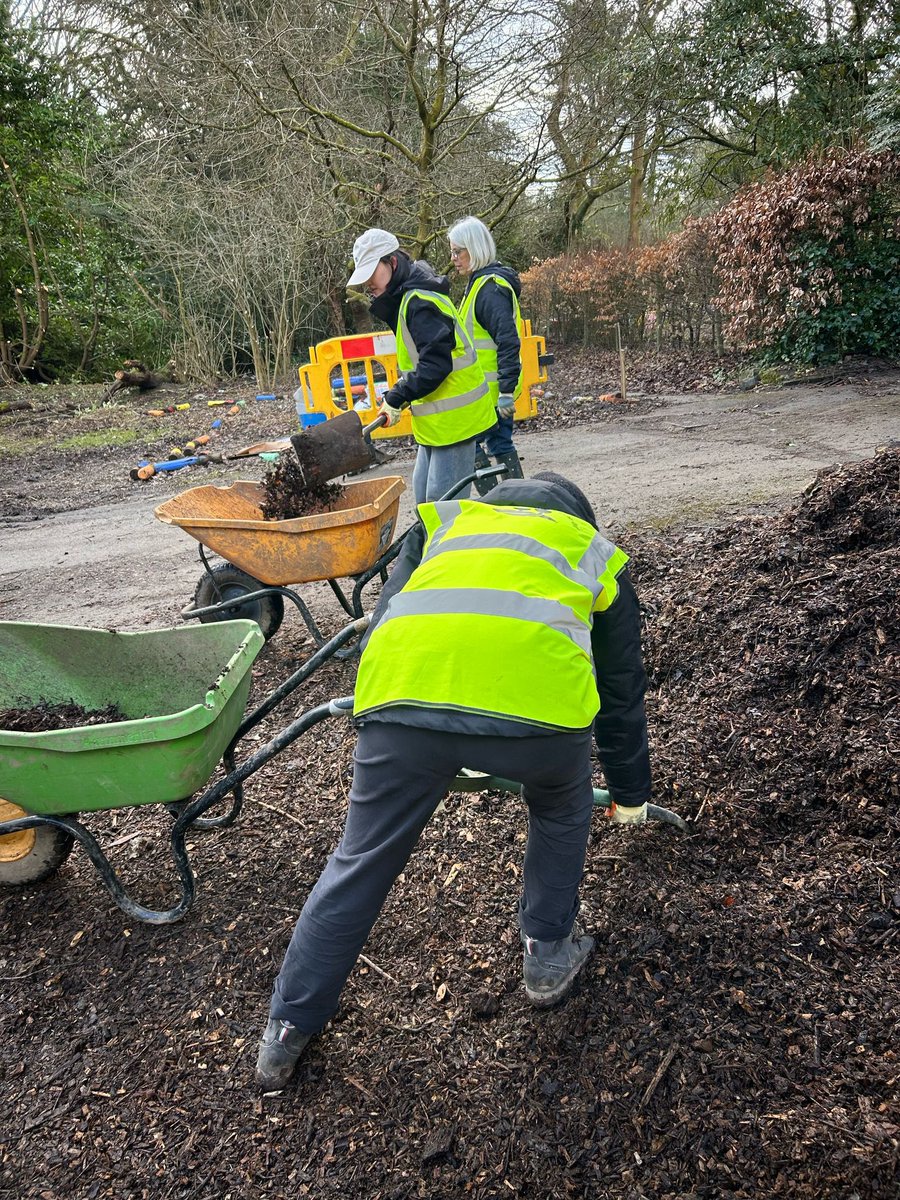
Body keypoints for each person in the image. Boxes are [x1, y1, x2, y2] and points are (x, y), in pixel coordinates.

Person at [255, 471, 652, 1091]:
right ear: (578, 516)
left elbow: (385, 618)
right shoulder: (590, 550)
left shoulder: (444, 523)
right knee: (561, 806)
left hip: (403, 705)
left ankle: (286, 1029)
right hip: (540, 726)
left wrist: (406, 718)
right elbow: (622, 687)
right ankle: (547, 956)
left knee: (361, 856)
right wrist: (629, 793)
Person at [346, 228, 497, 504]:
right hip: (436, 423)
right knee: (426, 500)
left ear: (391, 262)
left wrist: (398, 395)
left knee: (444, 506)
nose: (367, 282)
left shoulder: (420, 301)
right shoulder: (408, 297)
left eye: (371, 272)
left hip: (455, 421)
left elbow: (435, 364)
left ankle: (456, 546)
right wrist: (399, 397)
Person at [447, 216, 525, 493]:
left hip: (490, 395)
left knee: (470, 448)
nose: (453, 258)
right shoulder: (480, 285)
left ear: (475, 249)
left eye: (459, 251)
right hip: (487, 392)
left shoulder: (489, 290)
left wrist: (505, 390)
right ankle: (516, 499)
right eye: (452, 251)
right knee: (498, 445)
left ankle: (498, 502)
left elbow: (507, 342)